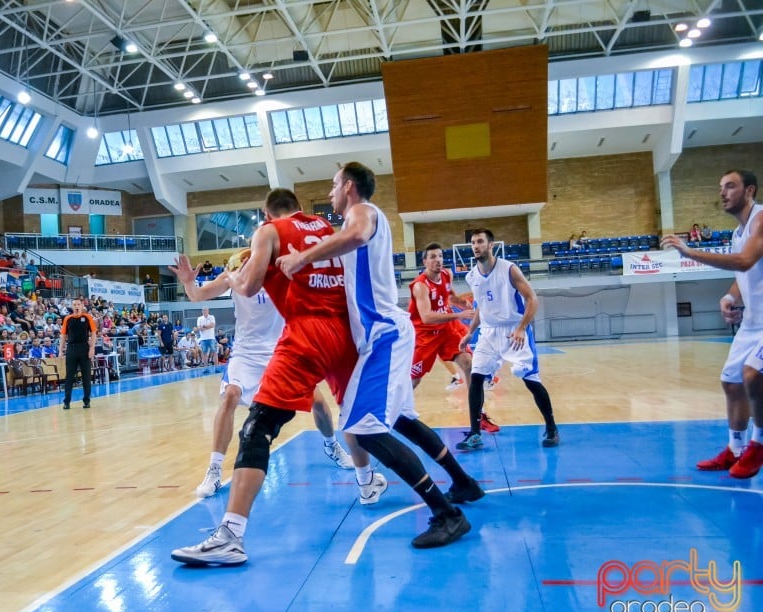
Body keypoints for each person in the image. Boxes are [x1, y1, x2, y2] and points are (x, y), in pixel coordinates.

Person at [171, 181, 471, 566]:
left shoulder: (269, 232)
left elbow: (246, 286)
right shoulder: (326, 230)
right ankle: (383, 489)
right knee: (360, 421)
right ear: (299, 208)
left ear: (266, 214)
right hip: (348, 334)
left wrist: (231, 277)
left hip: (307, 334)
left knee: (258, 426)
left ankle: (230, 535)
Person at [169, 250, 353, 500]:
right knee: (230, 396)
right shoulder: (230, 277)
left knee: (318, 403)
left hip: (281, 351)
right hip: (245, 354)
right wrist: (188, 281)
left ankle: (332, 446)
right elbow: (197, 295)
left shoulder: (281, 274)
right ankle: (214, 470)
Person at [661, 169, 763, 478]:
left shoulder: (761, 220)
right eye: (720, 187)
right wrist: (729, 298)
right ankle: (735, 449)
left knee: (753, 376)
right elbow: (743, 275)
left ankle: (759, 445)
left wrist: (691, 252)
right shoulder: (736, 234)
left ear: (750, 191)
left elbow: (745, 261)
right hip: (752, 324)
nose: (722, 193)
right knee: (731, 383)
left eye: (730, 186)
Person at [456, 228, 560, 451]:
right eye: (473, 242)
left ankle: (552, 427)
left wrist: (522, 328)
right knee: (475, 378)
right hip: (488, 333)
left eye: (480, 241)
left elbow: (532, 299)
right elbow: (480, 308)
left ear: (491, 245)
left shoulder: (509, 270)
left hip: (514, 330)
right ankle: (475, 433)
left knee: (530, 379)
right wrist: (470, 332)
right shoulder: (471, 276)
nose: (476, 246)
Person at [409, 242, 500, 433]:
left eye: (440, 256)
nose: (438, 260)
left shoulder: (447, 275)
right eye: (433, 257)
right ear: (424, 261)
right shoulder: (420, 286)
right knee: (413, 381)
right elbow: (427, 316)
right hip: (425, 335)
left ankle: (479, 415)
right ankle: (391, 412)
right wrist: (458, 315)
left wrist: (461, 302)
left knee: (469, 364)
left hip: (449, 330)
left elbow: (449, 297)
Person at [59, 298, 97, 409]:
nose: (76, 306)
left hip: (84, 347)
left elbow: (93, 333)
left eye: (78, 304)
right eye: (74, 304)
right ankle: (67, 401)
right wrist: (61, 350)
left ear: (82, 306)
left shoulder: (87, 317)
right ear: (72, 306)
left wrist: (92, 348)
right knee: (69, 376)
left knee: (86, 376)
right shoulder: (68, 318)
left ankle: (86, 400)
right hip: (71, 348)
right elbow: (63, 336)